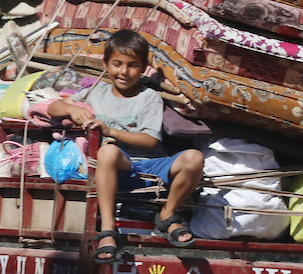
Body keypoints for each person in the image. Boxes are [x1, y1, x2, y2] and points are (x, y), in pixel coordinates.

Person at [47, 30, 205, 260]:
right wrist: (73, 109)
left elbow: (150, 140)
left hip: (150, 166)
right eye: (117, 64)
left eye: (132, 65)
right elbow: (53, 108)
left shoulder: (149, 97)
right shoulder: (95, 91)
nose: (123, 72)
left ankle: (167, 215)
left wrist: (110, 130)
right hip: (114, 167)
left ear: (142, 69)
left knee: (194, 158)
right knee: (108, 151)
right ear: (105, 63)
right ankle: (108, 230)